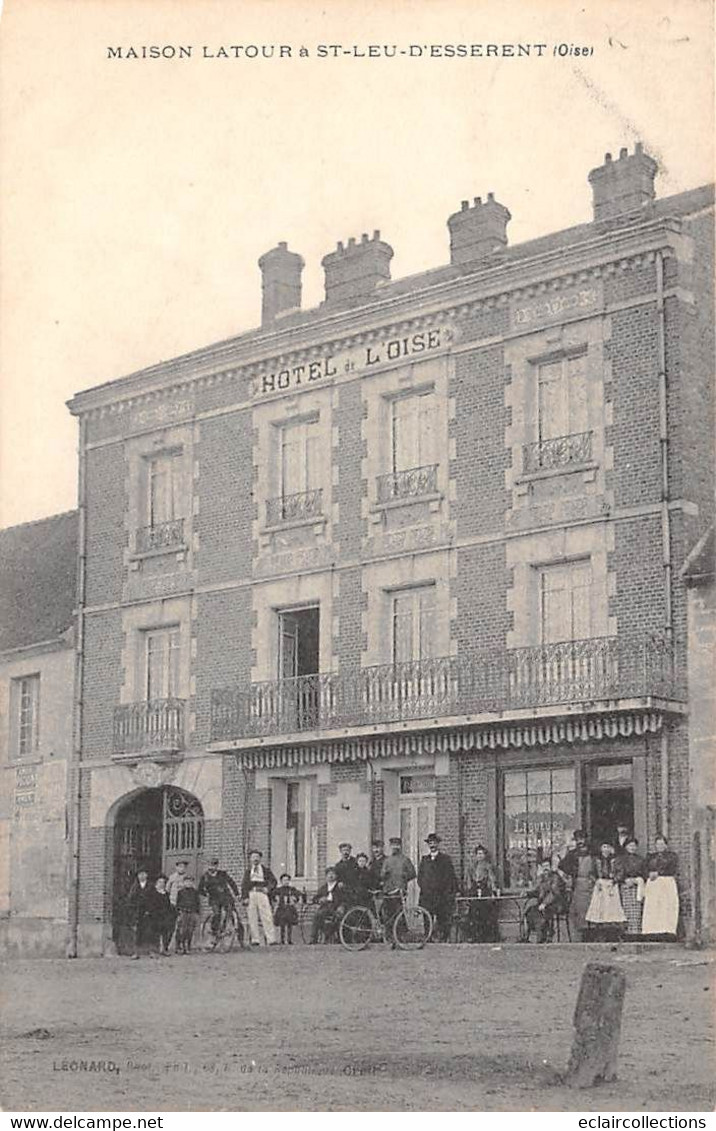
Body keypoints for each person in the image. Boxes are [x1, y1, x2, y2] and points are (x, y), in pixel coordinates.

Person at [417, 833, 458, 942]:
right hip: (427, 895)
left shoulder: (445, 859)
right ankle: (428, 938)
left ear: (438, 844)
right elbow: (420, 877)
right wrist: (425, 888)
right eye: (430, 843)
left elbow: (450, 877)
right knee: (427, 917)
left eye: (434, 843)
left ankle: (443, 938)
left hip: (441, 895)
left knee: (442, 917)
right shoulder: (425, 860)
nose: (432, 845)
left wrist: (447, 892)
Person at [559, 830, 596, 941]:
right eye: (578, 839)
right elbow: (562, 866)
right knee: (580, 909)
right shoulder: (572, 854)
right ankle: (583, 934)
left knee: (593, 908)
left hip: (592, 884)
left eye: (582, 839)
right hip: (578, 885)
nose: (581, 841)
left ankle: (593, 933)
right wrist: (568, 878)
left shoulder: (593, 853)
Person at [585, 842, 626, 940]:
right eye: (604, 847)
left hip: (612, 885)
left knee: (612, 908)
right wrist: (596, 881)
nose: (606, 849)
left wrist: (615, 879)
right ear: (600, 848)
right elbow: (591, 873)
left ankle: (614, 933)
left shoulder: (615, 860)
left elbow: (621, 872)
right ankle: (599, 933)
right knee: (600, 908)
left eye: (608, 847)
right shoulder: (596, 860)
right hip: (600, 886)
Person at [641, 835, 679, 938]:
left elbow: (672, 868)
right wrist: (649, 874)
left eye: (662, 844)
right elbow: (643, 868)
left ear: (666, 845)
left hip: (666, 883)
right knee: (653, 905)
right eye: (658, 844)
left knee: (666, 905)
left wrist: (658, 873)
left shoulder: (672, 856)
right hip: (653, 884)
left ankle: (667, 930)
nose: (660, 846)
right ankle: (652, 930)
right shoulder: (650, 857)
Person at [198, 858, 241, 948]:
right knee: (217, 913)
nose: (211, 867)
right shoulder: (205, 877)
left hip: (226, 897)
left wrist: (236, 894)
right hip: (214, 899)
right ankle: (214, 932)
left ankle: (241, 939)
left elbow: (232, 883)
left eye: (214, 865)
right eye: (210, 865)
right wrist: (206, 894)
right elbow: (200, 889)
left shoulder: (223, 874)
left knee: (232, 914)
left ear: (217, 866)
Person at [523, 862, 568, 943]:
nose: (545, 869)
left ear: (551, 867)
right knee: (530, 911)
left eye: (547, 866)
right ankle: (532, 934)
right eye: (543, 867)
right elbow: (537, 891)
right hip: (543, 904)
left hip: (557, 904)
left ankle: (547, 935)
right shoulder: (542, 878)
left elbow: (554, 893)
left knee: (545, 911)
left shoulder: (555, 878)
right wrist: (527, 893)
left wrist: (545, 903)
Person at [241, 849, 277, 946]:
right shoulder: (248, 872)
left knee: (267, 916)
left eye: (257, 857)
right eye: (253, 857)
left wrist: (268, 889)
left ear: (260, 858)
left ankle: (271, 939)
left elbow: (273, 881)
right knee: (252, 917)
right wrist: (245, 897)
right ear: (250, 859)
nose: (255, 859)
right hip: (252, 893)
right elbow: (244, 885)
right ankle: (255, 939)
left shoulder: (266, 870)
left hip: (262, 893)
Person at [613, 837, 647, 936]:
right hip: (626, 886)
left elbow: (645, 873)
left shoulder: (640, 859)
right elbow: (617, 873)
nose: (632, 848)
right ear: (626, 847)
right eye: (630, 845)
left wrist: (638, 879)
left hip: (637, 886)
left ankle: (636, 932)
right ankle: (626, 932)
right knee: (626, 909)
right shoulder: (620, 859)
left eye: (634, 846)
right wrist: (624, 879)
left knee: (637, 910)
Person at [467, 844, 500, 943]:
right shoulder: (472, 866)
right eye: (478, 854)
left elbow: (492, 879)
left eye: (481, 854)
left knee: (485, 914)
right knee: (473, 914)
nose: (480, 856)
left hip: (485, 890)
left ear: (484, 855)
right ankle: (475, 936)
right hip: (475, 891)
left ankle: (486, 936)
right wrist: (469, 890)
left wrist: (494, 890)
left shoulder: (488, 866)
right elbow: (469, 879)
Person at [381, 836, 416, 926]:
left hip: (399, 890)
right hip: (388, 890)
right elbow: (382, 875)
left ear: (400, 846)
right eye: (393, 845)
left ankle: (400, 934)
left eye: (397, 845)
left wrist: (404, 877)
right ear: (390, 847)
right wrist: (385, 874)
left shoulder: (405, 860)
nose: (394, 847)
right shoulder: (387, 860)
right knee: (387, 913)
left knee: (399, 912)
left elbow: (413, 873)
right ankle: (389, 935)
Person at [310, 867, 347, 943]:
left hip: (336, 907)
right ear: (326, 876)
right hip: (325, 907)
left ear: (336, 876)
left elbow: (345, 898)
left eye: (333, 874)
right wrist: (319, 900)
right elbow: (315, 899)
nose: (331, 876)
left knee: (338, 917)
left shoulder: (340, 887)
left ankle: (339, 938)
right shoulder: (323, 888)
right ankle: (314, 938)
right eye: (329, 874)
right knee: (317, 916)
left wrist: (341, 906)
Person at [126, 866, 155, 959]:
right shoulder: (134, 886)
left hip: (148, 912)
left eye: (144, 874)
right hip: (138, 912)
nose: (142, 876)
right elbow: (130, 899)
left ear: (147, 875)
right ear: (138, 876)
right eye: (140, 874)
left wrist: (150, 910)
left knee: (149, 932)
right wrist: (134, 910)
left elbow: (153, 899)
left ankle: (151, 951)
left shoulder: (151, 886)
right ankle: (136, 952)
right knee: (137, 933)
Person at [151, 874, 176, 955]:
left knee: (165, 932)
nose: (161, 884)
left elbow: (168, 905)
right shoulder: (153, 893)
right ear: (156, 883)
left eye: (163, 882)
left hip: (164, 916)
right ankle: (154, 950)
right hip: (155, 915)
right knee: (155, 933)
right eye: (160, 882)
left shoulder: (166, 894)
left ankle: (164, 949)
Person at [175, 875, 200, 954]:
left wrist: (197, 912)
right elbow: (178, 903)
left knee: (190, 930)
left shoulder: (195, 892)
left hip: (192, 912)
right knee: (182, 930)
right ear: (184, 883)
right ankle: (180, 946)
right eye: (186, 881)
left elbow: (197, 902)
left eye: (190, 881)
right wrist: (178, 912)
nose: (188, 883)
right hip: (183, 912)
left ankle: (188, 946)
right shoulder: (180, 892)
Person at [272, 873, 301, 944]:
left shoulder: (292, 889)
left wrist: (294, 898)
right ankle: (282, 939)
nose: (286, 882)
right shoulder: (278, 890)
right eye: (284, 880)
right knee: (282, 923)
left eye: (287, 880)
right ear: (281, 881)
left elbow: (297, 895)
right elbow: (273, 896)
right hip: (281, 909)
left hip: (290, 908)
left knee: (290, 923)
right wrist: (276, 899)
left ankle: (289, 939)